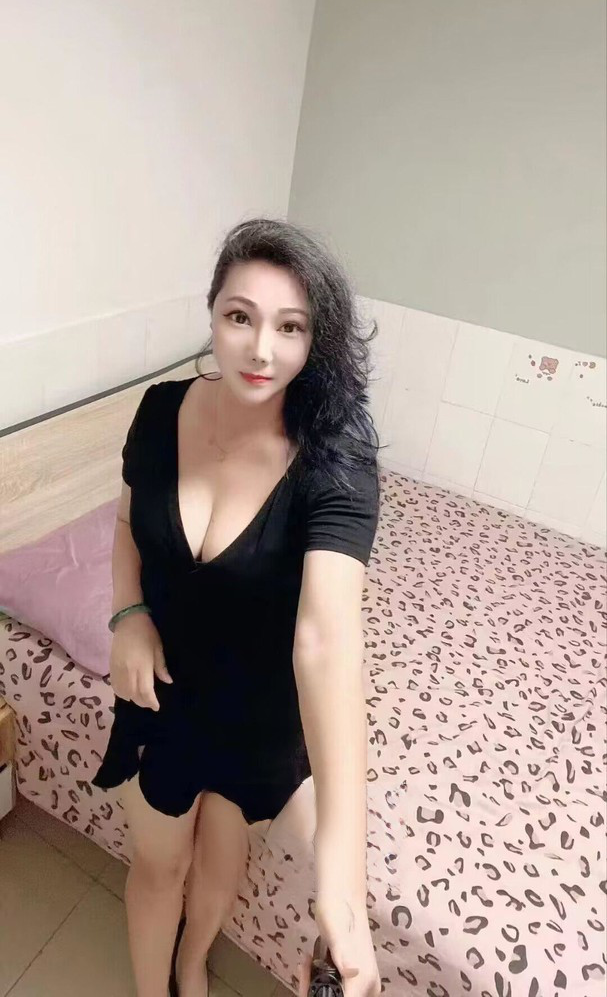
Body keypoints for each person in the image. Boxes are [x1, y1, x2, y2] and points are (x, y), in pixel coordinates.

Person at [91, 217, 383, 997]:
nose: (260, 349)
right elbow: (124, 527)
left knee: (222, 854)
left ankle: (193, 964)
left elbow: (326, 643)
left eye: (290, 327)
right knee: (159, 863)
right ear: (212, 313)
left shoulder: (337, 455)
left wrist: (343, 896)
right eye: (240, 316)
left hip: (259, 710)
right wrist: (128, 616)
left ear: (317, 338)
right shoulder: (159, 412)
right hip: (164, 693)